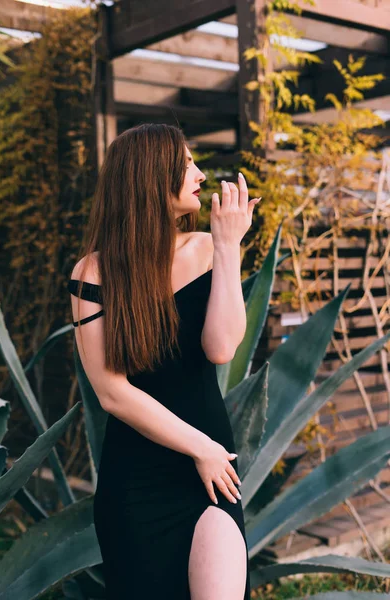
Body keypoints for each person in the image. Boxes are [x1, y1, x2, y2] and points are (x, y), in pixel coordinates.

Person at [67, 123, 261, 599]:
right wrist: (200, 447)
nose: (199, 174)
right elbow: (113, 393)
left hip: (211, 479)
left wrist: (227, 246)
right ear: (152, 177)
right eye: (187, 163)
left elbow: (221, 348)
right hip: (140, 480)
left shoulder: (207, 250)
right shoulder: (93, 272)